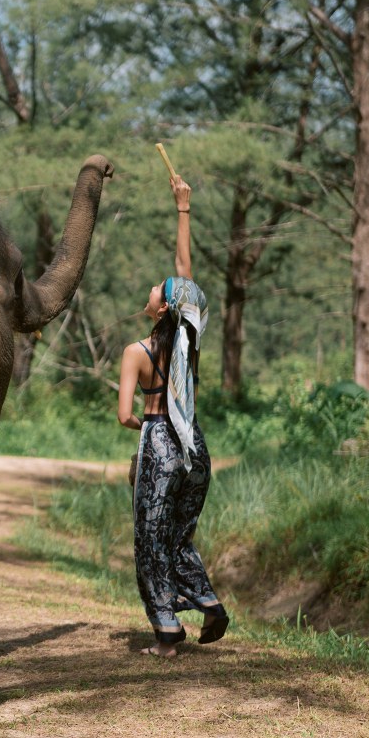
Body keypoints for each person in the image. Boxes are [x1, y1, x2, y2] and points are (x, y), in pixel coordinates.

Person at [117, 174, 228, 657]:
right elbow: (184, 274)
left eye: (155, 290)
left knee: (151, 538)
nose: (152, 289)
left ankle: (167, 634)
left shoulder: (134, 352)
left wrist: (148, 446)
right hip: (196, 446)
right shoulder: (190, 346)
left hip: (160, 438)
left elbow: (126, 416)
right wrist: (183, 208)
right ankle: (207, 600)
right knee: (180, 533)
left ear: (162, 309)